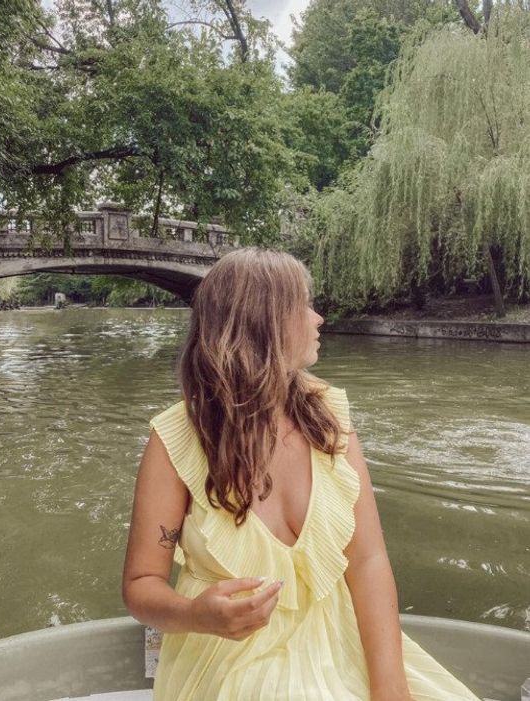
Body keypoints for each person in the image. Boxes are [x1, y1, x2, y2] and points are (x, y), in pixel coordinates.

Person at [120, 249, 479, 700]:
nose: (319, 318)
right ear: (264, 323)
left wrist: (390, 688)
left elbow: (368, 561)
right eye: (305, 305)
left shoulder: (330, 418)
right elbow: (140, 585)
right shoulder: (174, 439)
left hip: (336, 638)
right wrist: (197, 614)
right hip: (229, 656)